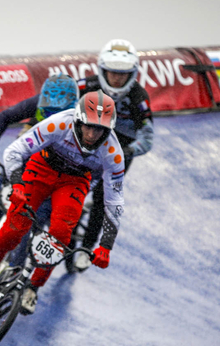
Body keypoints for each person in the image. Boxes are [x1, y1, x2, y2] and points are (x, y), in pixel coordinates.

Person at [0, 91, 126, 315]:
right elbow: (15, 151)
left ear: (108, 130)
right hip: (42, 167)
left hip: (75, 182)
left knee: (60, 234)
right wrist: (17, 185)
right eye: (88, 127)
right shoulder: (58, 124)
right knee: (13, 230)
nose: (92, 135)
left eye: (100, 129)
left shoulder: (113, 153)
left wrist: (105, 245)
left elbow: (114, 201)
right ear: (77, 121)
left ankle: (33, 288)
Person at [73, 39, 153, 271]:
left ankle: (87, 248)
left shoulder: (140, 98)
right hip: (89, 138)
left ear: (132, 74)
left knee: (102, 196)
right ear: (101, 70)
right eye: (111, 73)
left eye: (122, 74)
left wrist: (127, 152)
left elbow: (148, 139)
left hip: (120, 149)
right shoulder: (85, 85)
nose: (116, 79)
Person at [0, 73, 80, 243]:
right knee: (3, 181)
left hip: (58, 161)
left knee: (41, 215)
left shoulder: (80, 122)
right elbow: (5, 116)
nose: (52, 117)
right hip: (32, 145)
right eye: (48, 111)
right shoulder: (37, 103)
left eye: (58, 113)